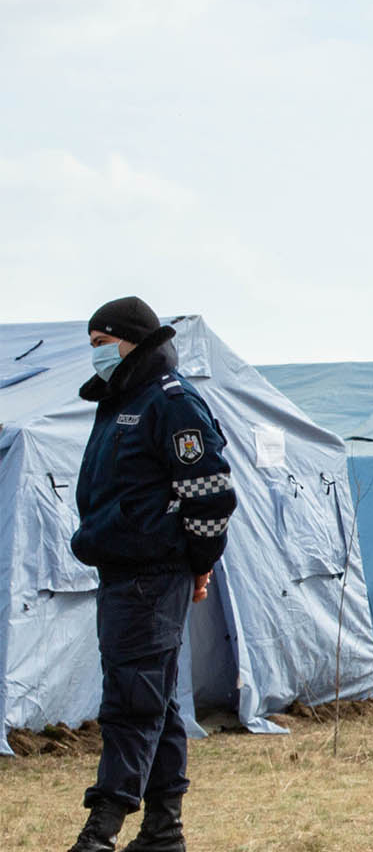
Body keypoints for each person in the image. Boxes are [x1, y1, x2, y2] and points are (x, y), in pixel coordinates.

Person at [65, 297, 237, 852]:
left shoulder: (172, 402)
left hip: (150, 575)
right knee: (155, 705)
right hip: (121, 573)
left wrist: (200, 563)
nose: (95, 355)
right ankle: (164, 832)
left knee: (131, 703)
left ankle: (101, 833)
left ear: (132, 340)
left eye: (101, 343)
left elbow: (209, 494)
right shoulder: (119, 403)